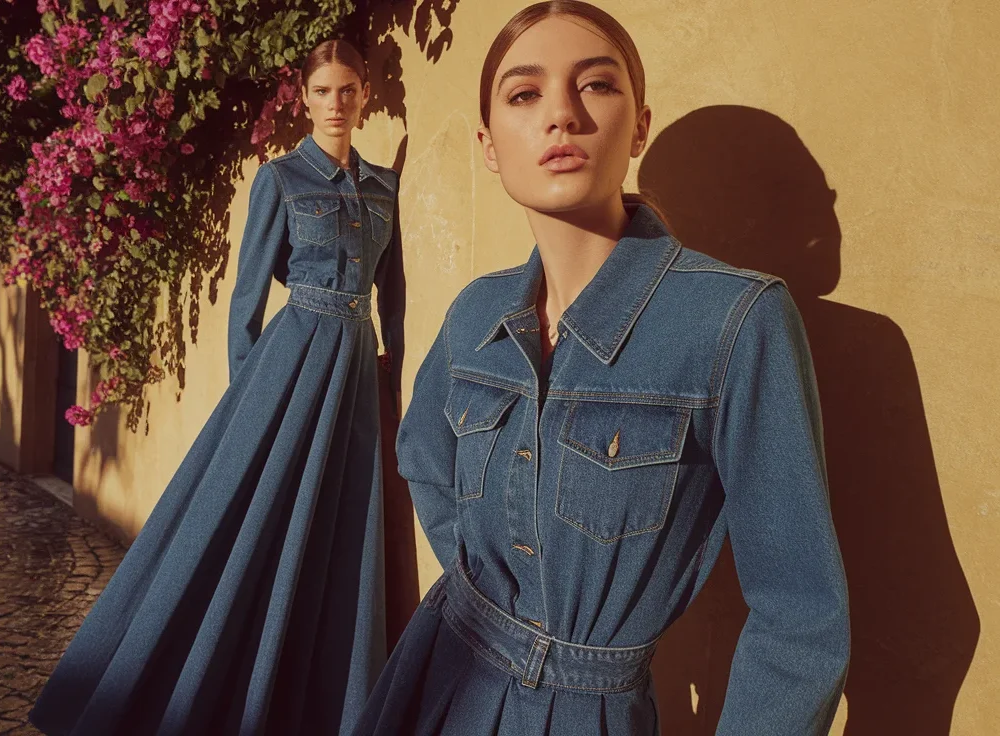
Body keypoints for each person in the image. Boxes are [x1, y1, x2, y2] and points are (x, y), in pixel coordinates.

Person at [352, 3, 850, 734]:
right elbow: (424, 455)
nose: (561, 114)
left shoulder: (735, 322)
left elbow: (801, 617)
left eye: (595, 86)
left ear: (639, 124)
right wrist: (486, 584)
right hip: (439, 674)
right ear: (490, 145)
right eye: (525, 94)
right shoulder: (476, 314)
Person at [29, 39, 405, 736]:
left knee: (341, 527)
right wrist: (247, 400)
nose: (336, 104)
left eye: (348, 89)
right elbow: (247, 297)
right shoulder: (281, 179)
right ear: (303, 97)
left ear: (363, 94)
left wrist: (395, 385)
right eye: (323, 91)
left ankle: (325, 699)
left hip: (355, 371)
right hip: (289, 366)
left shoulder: (383, 186)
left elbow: (396, 298)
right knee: (251, 518)